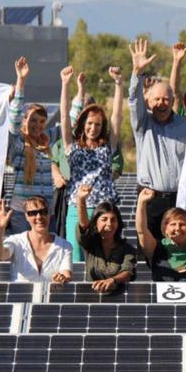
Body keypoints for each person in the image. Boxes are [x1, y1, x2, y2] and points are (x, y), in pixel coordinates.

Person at [128, 38, 186, 240]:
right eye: (156, 99)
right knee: (151, 253)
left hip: (179, 200)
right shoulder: (142, 124)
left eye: (166, 99)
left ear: (173, 101)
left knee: (178, 251)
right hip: (150, 199)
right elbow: (133, 100)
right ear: (148, 102)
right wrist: (137, 74)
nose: (161, 103)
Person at [61, 65, 123, 261]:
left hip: (103, 210)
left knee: (102, 257)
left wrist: (119, 84)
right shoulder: (72, 146)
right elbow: (63, 116)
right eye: (89, 123)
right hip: (76, 207)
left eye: (97, 124)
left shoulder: (107, 147)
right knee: (76, 257)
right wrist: (65, 84)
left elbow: (117, 117)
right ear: (82, 124)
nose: (93, 128)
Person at [6, 56, 57, 234]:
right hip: (21, 212)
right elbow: (13, 119)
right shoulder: (18, 142)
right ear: (25, 120)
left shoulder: (47, 140)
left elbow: (69, 122)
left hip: (45, 211)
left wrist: (75, 89)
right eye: (33, 120)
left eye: (42, 121)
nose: (37, 125)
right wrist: (21, 81)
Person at [136, 188, 186, 282]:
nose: (177, 228)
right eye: (173, 224)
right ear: (165, 229)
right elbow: (142, 231)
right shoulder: (156, 249)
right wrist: (141, 202)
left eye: (182, 224)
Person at [0, 197, 73, 284]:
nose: (39, 217)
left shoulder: (65, 246)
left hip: (51, 295)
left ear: (49, 214)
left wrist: (61, 279)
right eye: (33, 213)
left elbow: (66, 274)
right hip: (19, 297)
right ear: (26, 216)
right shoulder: (16, 241)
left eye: (43, 212)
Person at [76, 185, 137, 291]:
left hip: (120, 298)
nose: (109, 224)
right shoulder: (90, 244)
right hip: (92, 298)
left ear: (118, 224)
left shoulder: (127, 249)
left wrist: (113, 280)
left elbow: (128, 272)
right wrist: (81, 200)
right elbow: (84, 226)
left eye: (113, 220)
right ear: (95, 223)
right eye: (104, 219)